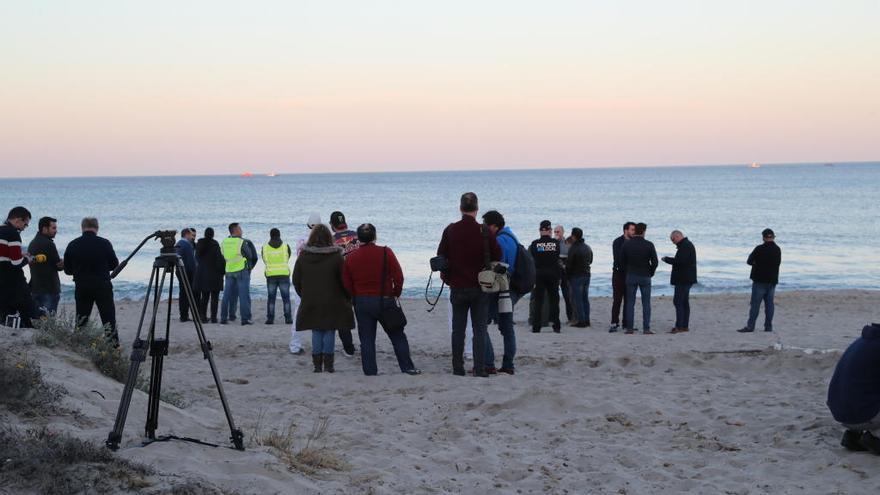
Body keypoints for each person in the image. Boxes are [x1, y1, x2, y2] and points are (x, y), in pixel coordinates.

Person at [437, 192, 501, 377]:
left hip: (457, 285)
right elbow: (498, 254)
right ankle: (479, 369)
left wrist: (448, 276)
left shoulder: (451, 230)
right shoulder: (484, 230)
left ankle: (458, 368)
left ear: (460, 208)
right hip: (479, 285)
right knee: (479, 329)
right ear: (477, 208)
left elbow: (441, 256)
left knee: (458, 329)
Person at [343, 223, 420, 376]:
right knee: (397, 335)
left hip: (363, 301)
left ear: (358, 239)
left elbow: (346, 282)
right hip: (385, 299)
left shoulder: (351, 257)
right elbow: (398, 276)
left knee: (366, 339)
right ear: (375, 236)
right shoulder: (385, 252)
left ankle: (370, 371)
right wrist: (395, 293)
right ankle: (407, 368)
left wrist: (354, 297)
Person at [293, 224, 355, 373]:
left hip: (312, 299)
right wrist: (347, 297)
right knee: (329, 331)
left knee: (316, 330)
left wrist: (305, 294)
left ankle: (317, 365)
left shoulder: (303, 257)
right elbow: (345, 281)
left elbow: (296, 280)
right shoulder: (336, 257)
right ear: (329, 237)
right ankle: (328, 364)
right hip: (333, 299)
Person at [64, 217, 119, 343]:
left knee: (82, 319)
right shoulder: (105, 243)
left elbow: (67, 270)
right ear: (97, 228)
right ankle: (114, 347)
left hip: (82, 285)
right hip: (102, 285)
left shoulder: (73, 244)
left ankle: (78, 345)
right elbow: (114, 264)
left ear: (82, 228)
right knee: (108, 319)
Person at [827, 323, 880, 454]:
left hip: (841, 413)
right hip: (862, 415)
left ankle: (853, 436)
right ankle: (875, 438)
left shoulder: (864, 340)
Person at [482, 210, 519, 375]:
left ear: (494, 226)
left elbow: (497, 265)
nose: (484, 229)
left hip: (498, 289)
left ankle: (488, 363)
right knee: (507, 329)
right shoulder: (512, 237)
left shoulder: (499, 240)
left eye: (486, 225)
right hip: (510, 289)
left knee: (481, 324)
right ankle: (508, 364)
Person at [1, 207, 42, 327]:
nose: (25, 227)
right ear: (18, 220)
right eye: (26, 224)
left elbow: (5, 255)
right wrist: (28, 259)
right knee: (29, 312)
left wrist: (18, 255)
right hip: (13, 282)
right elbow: (16, 262)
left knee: (6, 315)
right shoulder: (13, 233)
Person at [288, 213, 322, 355]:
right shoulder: (323, 240)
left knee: (298, 312)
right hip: (318, 280)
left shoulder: (301, 239)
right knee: (320, 313)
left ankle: (295, 345)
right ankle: (319, 346)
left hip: (302, 278)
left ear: (308, 224)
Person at [738, 228, 782, 333]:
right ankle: (768, 327)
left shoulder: (759, 249)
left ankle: (750, 326)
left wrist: (756, 264)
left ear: (763, 237)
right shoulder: (777, 249)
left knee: (755, 305)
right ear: (773, 237)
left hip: (759, 280)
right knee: (769, 305)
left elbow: (749, 261)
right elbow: (777, 264)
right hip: (772, 280)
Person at [328, 211, 359, 356]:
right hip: (359, 281)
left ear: (333, 225)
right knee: (362, 316)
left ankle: (349, 349)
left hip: (340, 285)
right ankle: (365, 344)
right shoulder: (357, 236)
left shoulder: (331, 240)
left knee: (342, 318)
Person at [620, 222, 658, 335]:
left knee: (630, 303)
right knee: (646, 303)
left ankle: (630, 328)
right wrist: (651, 272)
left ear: (635, 231)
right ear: (643, 232)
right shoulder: (649, 244)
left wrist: (627, 271)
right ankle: (646, 328)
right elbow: (655, 262)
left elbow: (621, 262)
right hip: (645, 275)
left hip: (631, 275)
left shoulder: (627, 244)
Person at [219, 222, 258, 326]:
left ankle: (223, 318)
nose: (242, 231)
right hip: (241, 270)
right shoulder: (241, 242)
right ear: (236, 230)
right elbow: (249, 255)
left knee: (226, 295)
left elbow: (222, 255)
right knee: (244, 296)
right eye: (240, 229)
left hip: (229, 270)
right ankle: (245, 319)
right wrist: (249, 267)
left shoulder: (224, 242)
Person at [529, 220, 562, 333]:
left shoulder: (535, 244)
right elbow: (557, 255)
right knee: (554, 300)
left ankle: (536, 326)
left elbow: (533, 256)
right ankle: (556, 325)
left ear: (540, 230)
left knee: (538, 301)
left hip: (539, 274)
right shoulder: (555, 243)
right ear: (550, 230)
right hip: (553, 274)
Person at [662, 230, 697, 334]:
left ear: (678, 236)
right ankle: (684, 326)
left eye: (673, 239)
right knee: (684, 302)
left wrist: (667, 259)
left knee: (678, 301)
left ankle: (679, 326)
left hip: (683, 279)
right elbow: (682, 260)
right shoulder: (686, 245)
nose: (673, 242)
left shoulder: (685, 246)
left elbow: (680, 262)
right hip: (687, 278)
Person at [28, 216, 64, 315]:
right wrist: (65, 262)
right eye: (53, 228)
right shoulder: (48, 244)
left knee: (38, 319)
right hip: (49, 289)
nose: (56, 231)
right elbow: (58, 266)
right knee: (48, 322)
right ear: (44, 229)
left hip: (35, 287)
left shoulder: (33, 243)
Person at [261, 228, 292, 325]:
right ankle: (288, 318)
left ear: (270, 235)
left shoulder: (265, 247)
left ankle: (270, 319)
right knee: (286, 298)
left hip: (271, 275)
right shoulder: (285, 246)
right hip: (283, 274)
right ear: (279, 235)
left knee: (271, 298)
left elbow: (264, 259)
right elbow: (288, 256)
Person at [194, 227, 224, 323]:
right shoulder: (215, 245)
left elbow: (197, 258)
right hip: (214, 275)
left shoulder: (199, 245)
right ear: (213, 234)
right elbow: (220, 261)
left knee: (204, 297)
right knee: (215, 298)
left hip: (202, 275)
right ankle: (213, 318)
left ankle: (203, 317)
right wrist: (223, 271)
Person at [610, 222, 636, 332]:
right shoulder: (617, 242)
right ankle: (614, 322)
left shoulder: (635, 242)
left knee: (629, 300)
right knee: (617, 300)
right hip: (619, 274)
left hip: (631, 274)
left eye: (634, 230)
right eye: (632, 230)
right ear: (626, 230)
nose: (634, 232)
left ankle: (627, 323)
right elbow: (618, 258)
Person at [566, 227, 593, 328]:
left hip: (577, 276)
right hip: (587, 274)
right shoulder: (587, 247)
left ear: (573, 236)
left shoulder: (574, 248)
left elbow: (569, 264)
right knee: (585, 298)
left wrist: (567, 275)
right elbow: (591, 260)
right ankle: (587, 319)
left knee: (578, 299)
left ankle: (581, 320)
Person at [175, 228, 198, 322]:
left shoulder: (178, 244)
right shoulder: (186, 245)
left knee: (183, 293)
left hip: (180, 270)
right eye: (191, 235)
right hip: (186, 271)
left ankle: (183, 315)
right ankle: (185, 316)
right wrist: (195, 270)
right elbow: (191, 261)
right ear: (187, 234)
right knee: (187, 294)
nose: (192, 237)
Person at [554, 224, 573, 323]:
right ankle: (553, 318)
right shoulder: (552, 244)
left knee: (567, 296)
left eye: (558, 232)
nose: (556, 234)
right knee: (554, 297)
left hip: (565, 273)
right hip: (555, 273)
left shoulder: (567, 244)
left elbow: (571, 258)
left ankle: (570, 317)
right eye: (555, 232)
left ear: (562, 232)